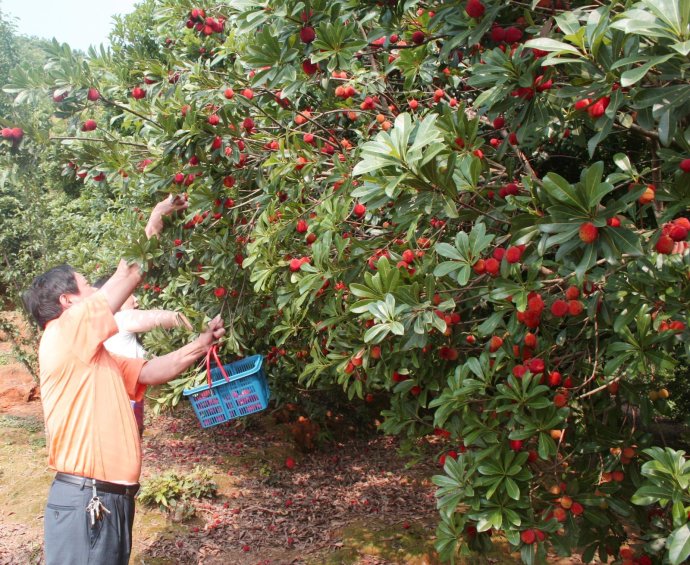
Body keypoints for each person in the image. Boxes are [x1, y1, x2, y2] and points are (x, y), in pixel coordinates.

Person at [22, 194, 225, 565]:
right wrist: (156, 218)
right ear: (69, 302)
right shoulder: (64, 330)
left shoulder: (92, 356)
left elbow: (149, 371)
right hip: (88, 499)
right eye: (89, 287)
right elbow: (129, 273)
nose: (99, 294)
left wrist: (201, 343)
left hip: (109, 498)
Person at [92, 277, 192, 437]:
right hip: (122, 400)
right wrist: (183, 320)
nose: (136, 300)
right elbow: (155, 318)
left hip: (118, 399)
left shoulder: (97, 326)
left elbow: (147, 361)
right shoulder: (119, 319)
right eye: (130, 294)